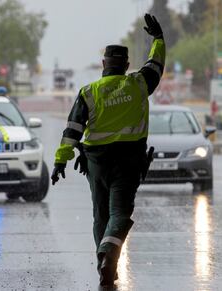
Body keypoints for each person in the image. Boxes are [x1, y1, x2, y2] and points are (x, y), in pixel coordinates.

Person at [51, 14, 165, 286]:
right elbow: (156, 65)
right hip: (127, 162)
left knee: (101, 215)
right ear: (126, 65)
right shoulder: (138, 84)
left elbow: (72, 130)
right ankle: (108, 254)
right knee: (120, 214)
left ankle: (105, 264)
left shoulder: (89, 91)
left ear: (103, 65)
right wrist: (158, 40)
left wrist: (61, 161)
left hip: (96, 163)